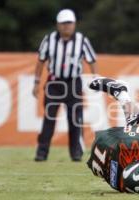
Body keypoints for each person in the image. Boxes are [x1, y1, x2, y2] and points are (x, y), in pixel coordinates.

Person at [33, 9, 97, 161]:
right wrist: (36, 82)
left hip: (74, 83)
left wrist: (95, 79)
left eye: (69, 23)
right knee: (49, 118)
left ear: (74, 24)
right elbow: (40, 61)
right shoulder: (49, 39)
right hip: (54, 83)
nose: (66, 26)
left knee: (75, 119)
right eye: (63, 23)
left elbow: (92, 60)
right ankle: (41, 153)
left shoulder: (82, 40)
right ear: (58, 25)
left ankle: (76, 154)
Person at [86, 77, 139, 192]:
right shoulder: (118, 185)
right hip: (103, 150)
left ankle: (120, 93)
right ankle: (121, 93)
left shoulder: (131, 148)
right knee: (138, 127)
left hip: (111, 142)